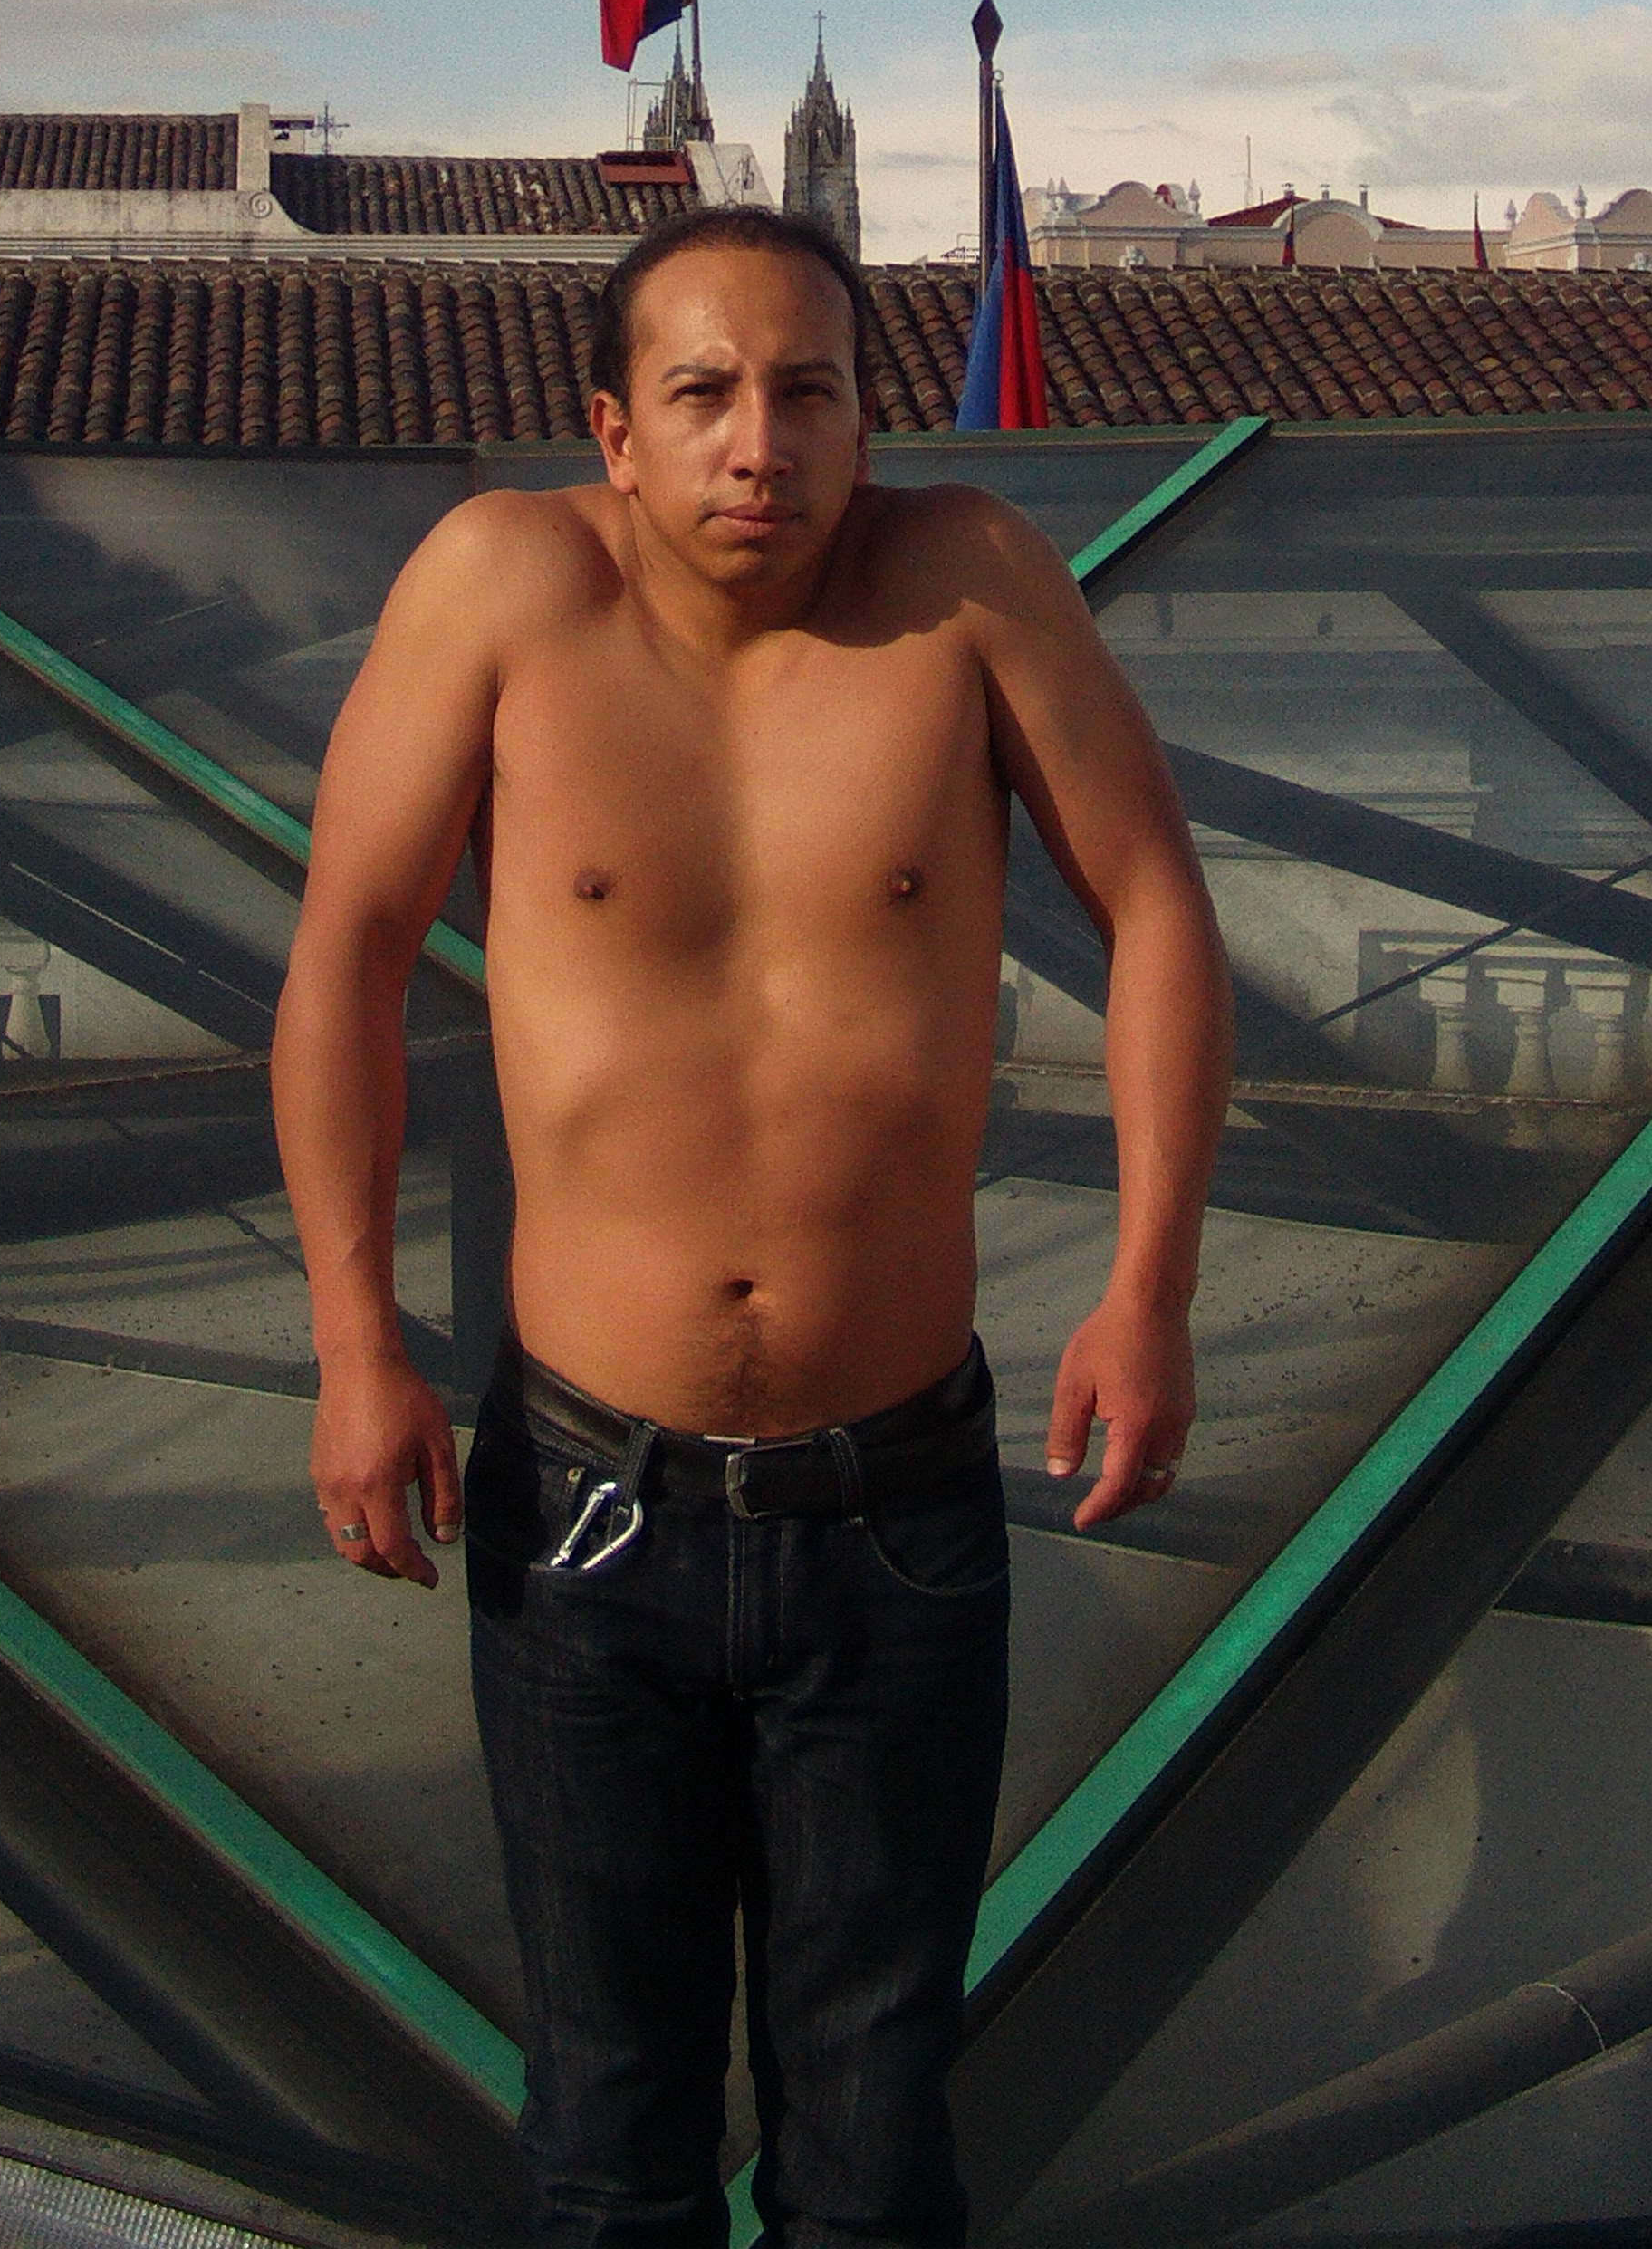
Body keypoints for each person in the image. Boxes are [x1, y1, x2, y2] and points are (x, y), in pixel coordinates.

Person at [271, 205, 1231, 2249]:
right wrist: (355, 1344)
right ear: (616, 431)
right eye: (704, 393)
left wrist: (1149, 1290)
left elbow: (1155, 902)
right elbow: (346, 951)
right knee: (607, 2143)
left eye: (809, 392)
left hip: (893, 1507)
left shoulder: (963, 586)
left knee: (873, 2160)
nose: (760, 444)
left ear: (866, 422)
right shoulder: (504, 591)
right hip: (585, 1509)